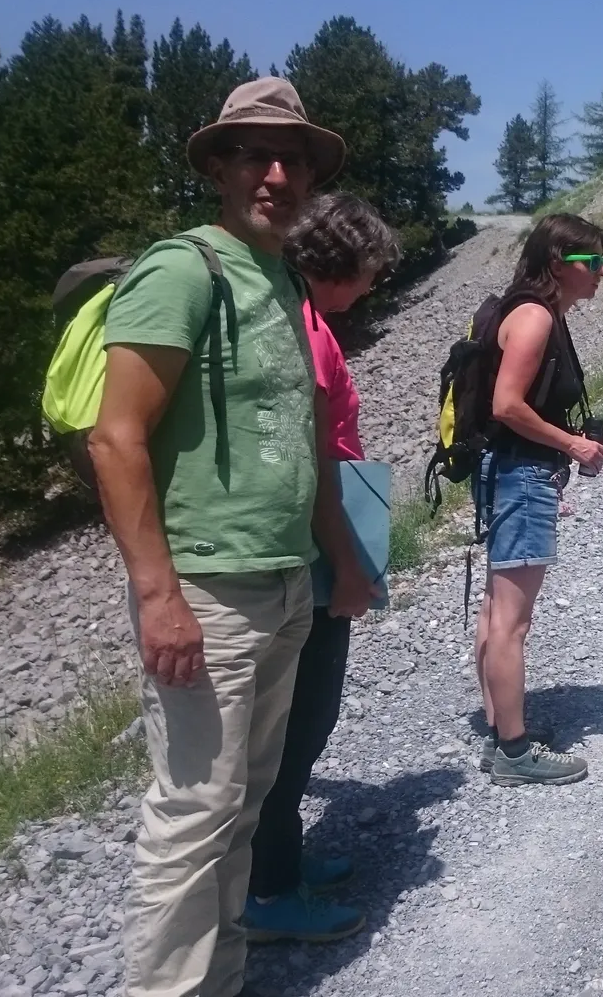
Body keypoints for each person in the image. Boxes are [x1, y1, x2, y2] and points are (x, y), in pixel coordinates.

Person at [92, 77, 369, 997]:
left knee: (243, 805)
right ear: (217, 164)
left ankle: (221, 980)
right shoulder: (184, 269)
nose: (277, 173)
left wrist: (337, 555)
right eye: (254, 152)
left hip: (285, 579)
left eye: (292, 158)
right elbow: (116, 435)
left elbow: (305, 442)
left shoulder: (284, 279)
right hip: (208, 587)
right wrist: (159, 595)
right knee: (194, 811)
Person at [240, 193, 399, 943]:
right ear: (339, 264)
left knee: (292, 724)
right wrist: (352, 567)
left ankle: (282, 863)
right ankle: (270, 892)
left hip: (294, 542)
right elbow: (318, 469)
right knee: (299, 723)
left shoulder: (286, 319)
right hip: (309, 549)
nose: (370, 289)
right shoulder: (309, 335)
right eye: (367, 273)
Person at [471, 213, 603, 786]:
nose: (601, 273)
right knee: (511, 622)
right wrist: (574, 445)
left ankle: (498, 724)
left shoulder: (526, 310)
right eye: (592, 262)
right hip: (521, 475)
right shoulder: (533, 317)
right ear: (559, 263)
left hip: (506, 470)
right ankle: (514, 751)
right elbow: (507, 405)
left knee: (493, 611)